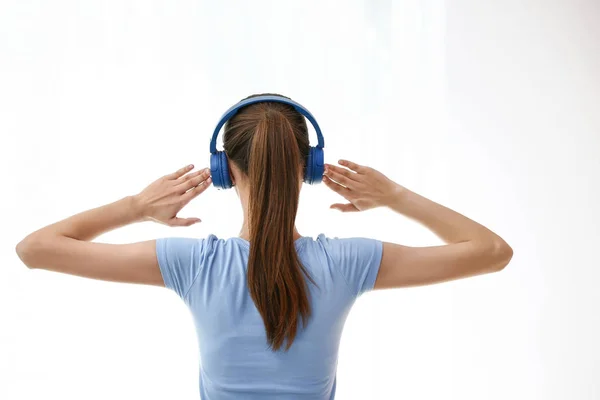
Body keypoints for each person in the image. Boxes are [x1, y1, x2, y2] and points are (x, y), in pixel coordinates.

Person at [15, 93, 513, 399]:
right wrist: (396, 197)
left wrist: (135, 207)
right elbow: (492, 251)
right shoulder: (348, 262)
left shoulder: (194, 264)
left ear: (225, 172)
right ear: (310, 169)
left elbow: (35, 249)